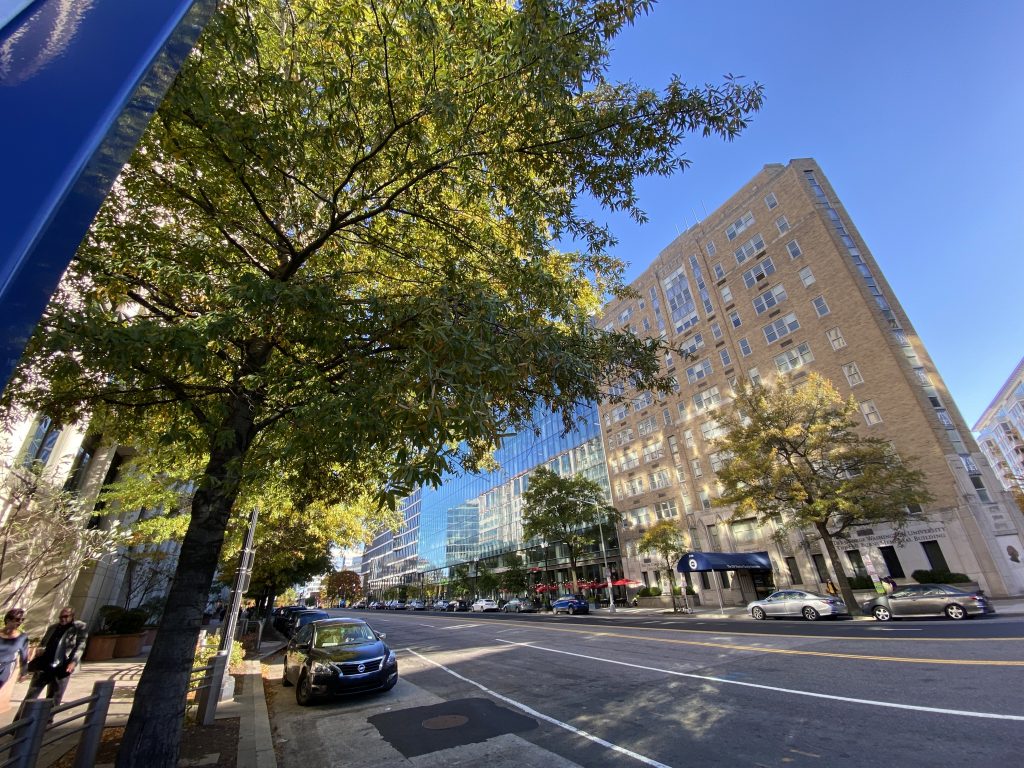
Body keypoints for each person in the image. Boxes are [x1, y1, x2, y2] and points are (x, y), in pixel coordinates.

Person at [23, 606, 88, 707]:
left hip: (62, 668)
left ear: (72, 616)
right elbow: (44, 643)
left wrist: (73, 661)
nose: (63, 619)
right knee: (31, 696)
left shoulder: (78, 628)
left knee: (54, 698)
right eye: (61, 617)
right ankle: (19, 720)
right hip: (45, 665)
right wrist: (40, 650)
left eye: (66, 616)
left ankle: (47, 721)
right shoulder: (53, 628)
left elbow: (80, 645)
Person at [0, 608, 29, 690]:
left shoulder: (22, 638)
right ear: (8, 620)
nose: (19, 622)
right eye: (17, 619)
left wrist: (23, 673)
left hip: (5, 669)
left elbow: (24, 656)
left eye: (22, 619)